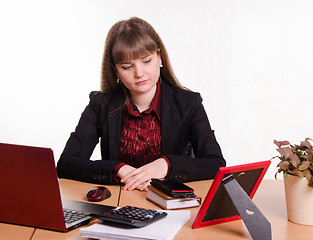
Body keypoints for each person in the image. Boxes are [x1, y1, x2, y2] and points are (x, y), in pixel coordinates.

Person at [56, 17, 225, 191]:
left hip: (169, 204)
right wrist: (118, 169)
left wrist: (167, 165)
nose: (139, 73)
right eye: (127, 66)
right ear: (116, 70)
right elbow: (66, 164)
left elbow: (216, 164)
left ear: (159, 57)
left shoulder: (188, 103)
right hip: (119, 203)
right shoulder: (100, 104)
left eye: (146, 61)